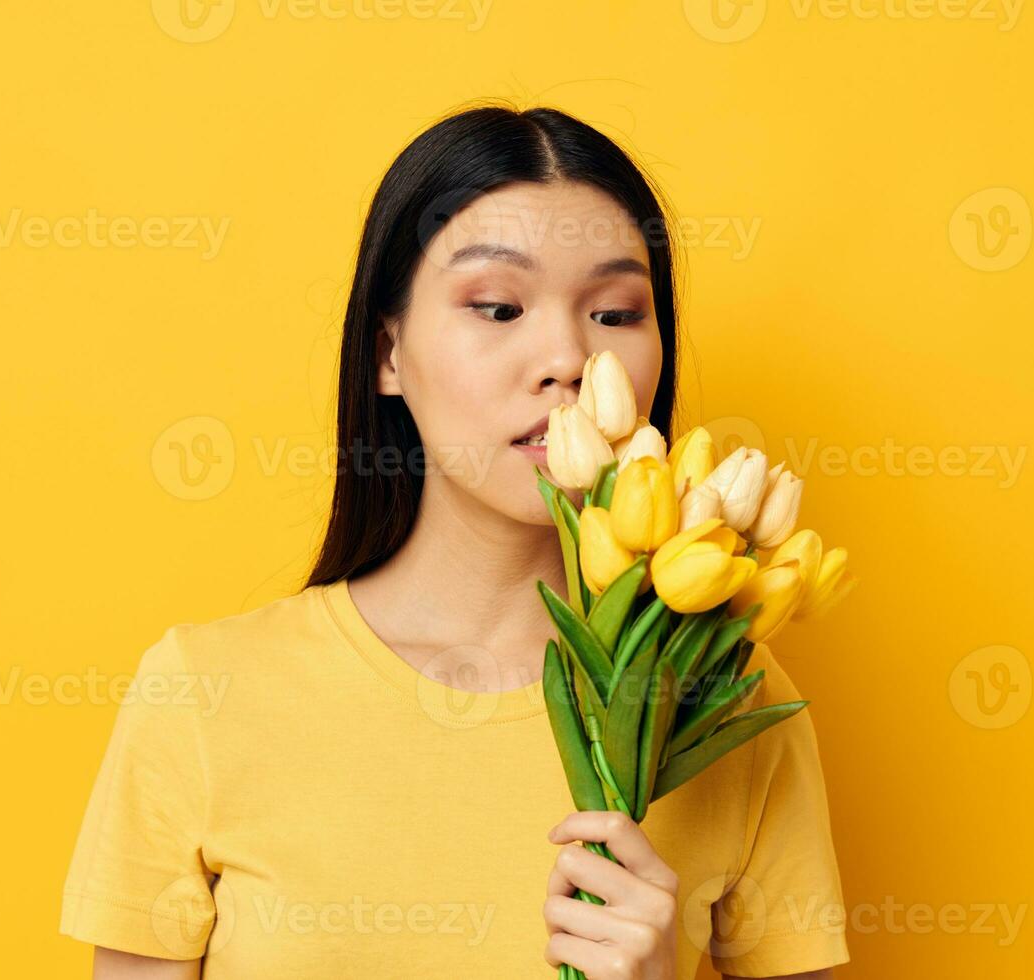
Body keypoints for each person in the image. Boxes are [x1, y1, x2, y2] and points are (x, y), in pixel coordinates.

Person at [59, 102, 849, 979]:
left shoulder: (725, 693)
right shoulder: (203, 695)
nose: (566, 357)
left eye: (617, 315)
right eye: (499, 306)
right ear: (387, 353)